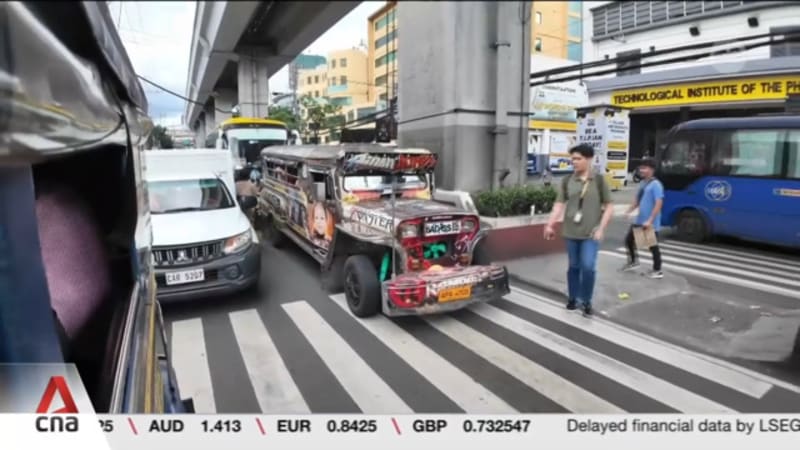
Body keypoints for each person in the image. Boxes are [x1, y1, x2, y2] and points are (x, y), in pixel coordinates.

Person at [544, 144, 614, 317]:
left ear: (589, 159)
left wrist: (601, 228)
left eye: (578, 158)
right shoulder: (567, 180)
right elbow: (558, 205)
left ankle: (586, 300)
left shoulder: (598, 180)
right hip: (571, 232)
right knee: (574, 266)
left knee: (588, 266)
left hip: (591, 233)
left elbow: (609, 206)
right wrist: (550, 224)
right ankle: (573, 297)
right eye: (572, 159)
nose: (573, 162)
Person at [622, 158, 664, 278]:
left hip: (649, 222)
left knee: (652, 246)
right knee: (629, 241)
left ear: (652, 170)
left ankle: (657, 270)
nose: (641, 170)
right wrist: (628, 211)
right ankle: (634, 262)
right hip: (640, 220)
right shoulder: (642, 183)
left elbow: (658, 203)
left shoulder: (656, 185)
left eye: (645, 168)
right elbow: (637, 200)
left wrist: (650, 220)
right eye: (641, 168)